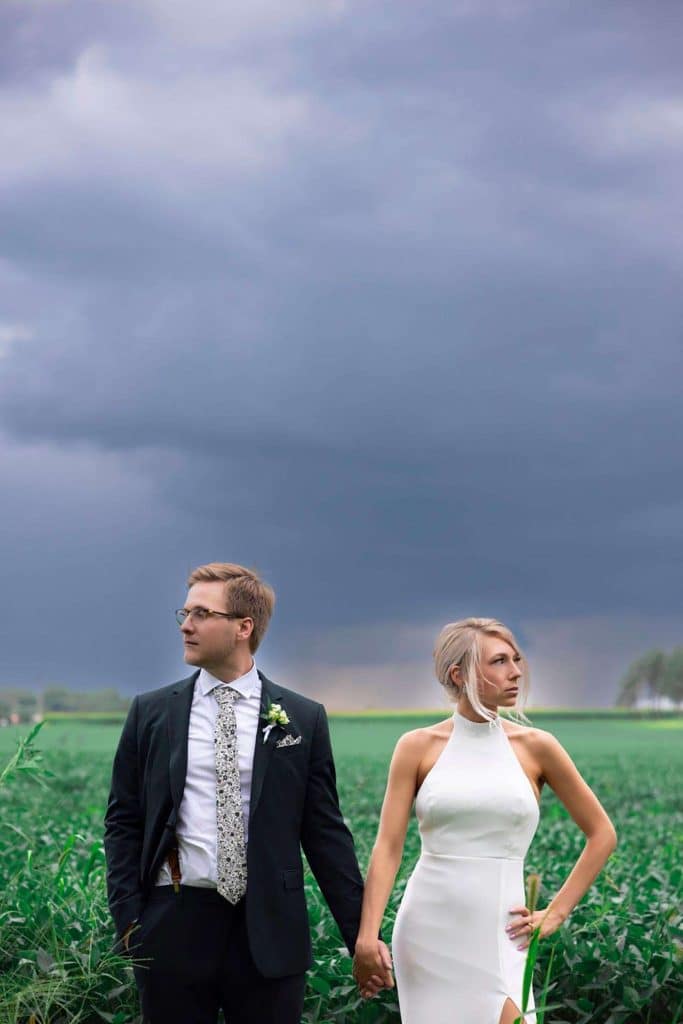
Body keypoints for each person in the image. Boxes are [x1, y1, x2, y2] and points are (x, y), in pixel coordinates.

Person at [104, 561, 392, 1024]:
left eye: (202, 614)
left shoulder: (302, 718)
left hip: (271, 931)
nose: (186, 625)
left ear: (244, 627)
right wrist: (129, 921)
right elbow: (123, 820)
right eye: (185, 613)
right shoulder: (151, 713)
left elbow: (325, 834)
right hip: (172, 928)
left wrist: (362, 936)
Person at [352, 617, 618, 1024]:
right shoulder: (416, 747)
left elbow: (602, 834)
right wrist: (366, 937)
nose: (515, 672)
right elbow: (388, 847)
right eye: (498, 661)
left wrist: (556, 913)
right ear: (458, 674)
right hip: (427, 933)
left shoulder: (537, 747)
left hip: (503, 935)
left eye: (516, 659)